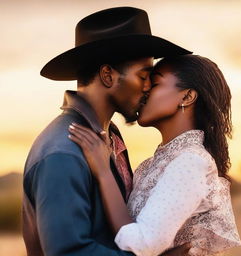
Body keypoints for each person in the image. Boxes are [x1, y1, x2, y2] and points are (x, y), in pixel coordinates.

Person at [22, 7, 192, 256]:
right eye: (144, 76)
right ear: (107, 75)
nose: (149, 88)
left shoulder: (108, 136)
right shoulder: (62, 153)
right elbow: (67, 252)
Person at [68, 55, 241, 256]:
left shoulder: (191, 161)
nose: (144, 90)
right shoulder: (149, 165)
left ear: (186, 97)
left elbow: (142, 244)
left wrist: (104, 172)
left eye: (155, 83)